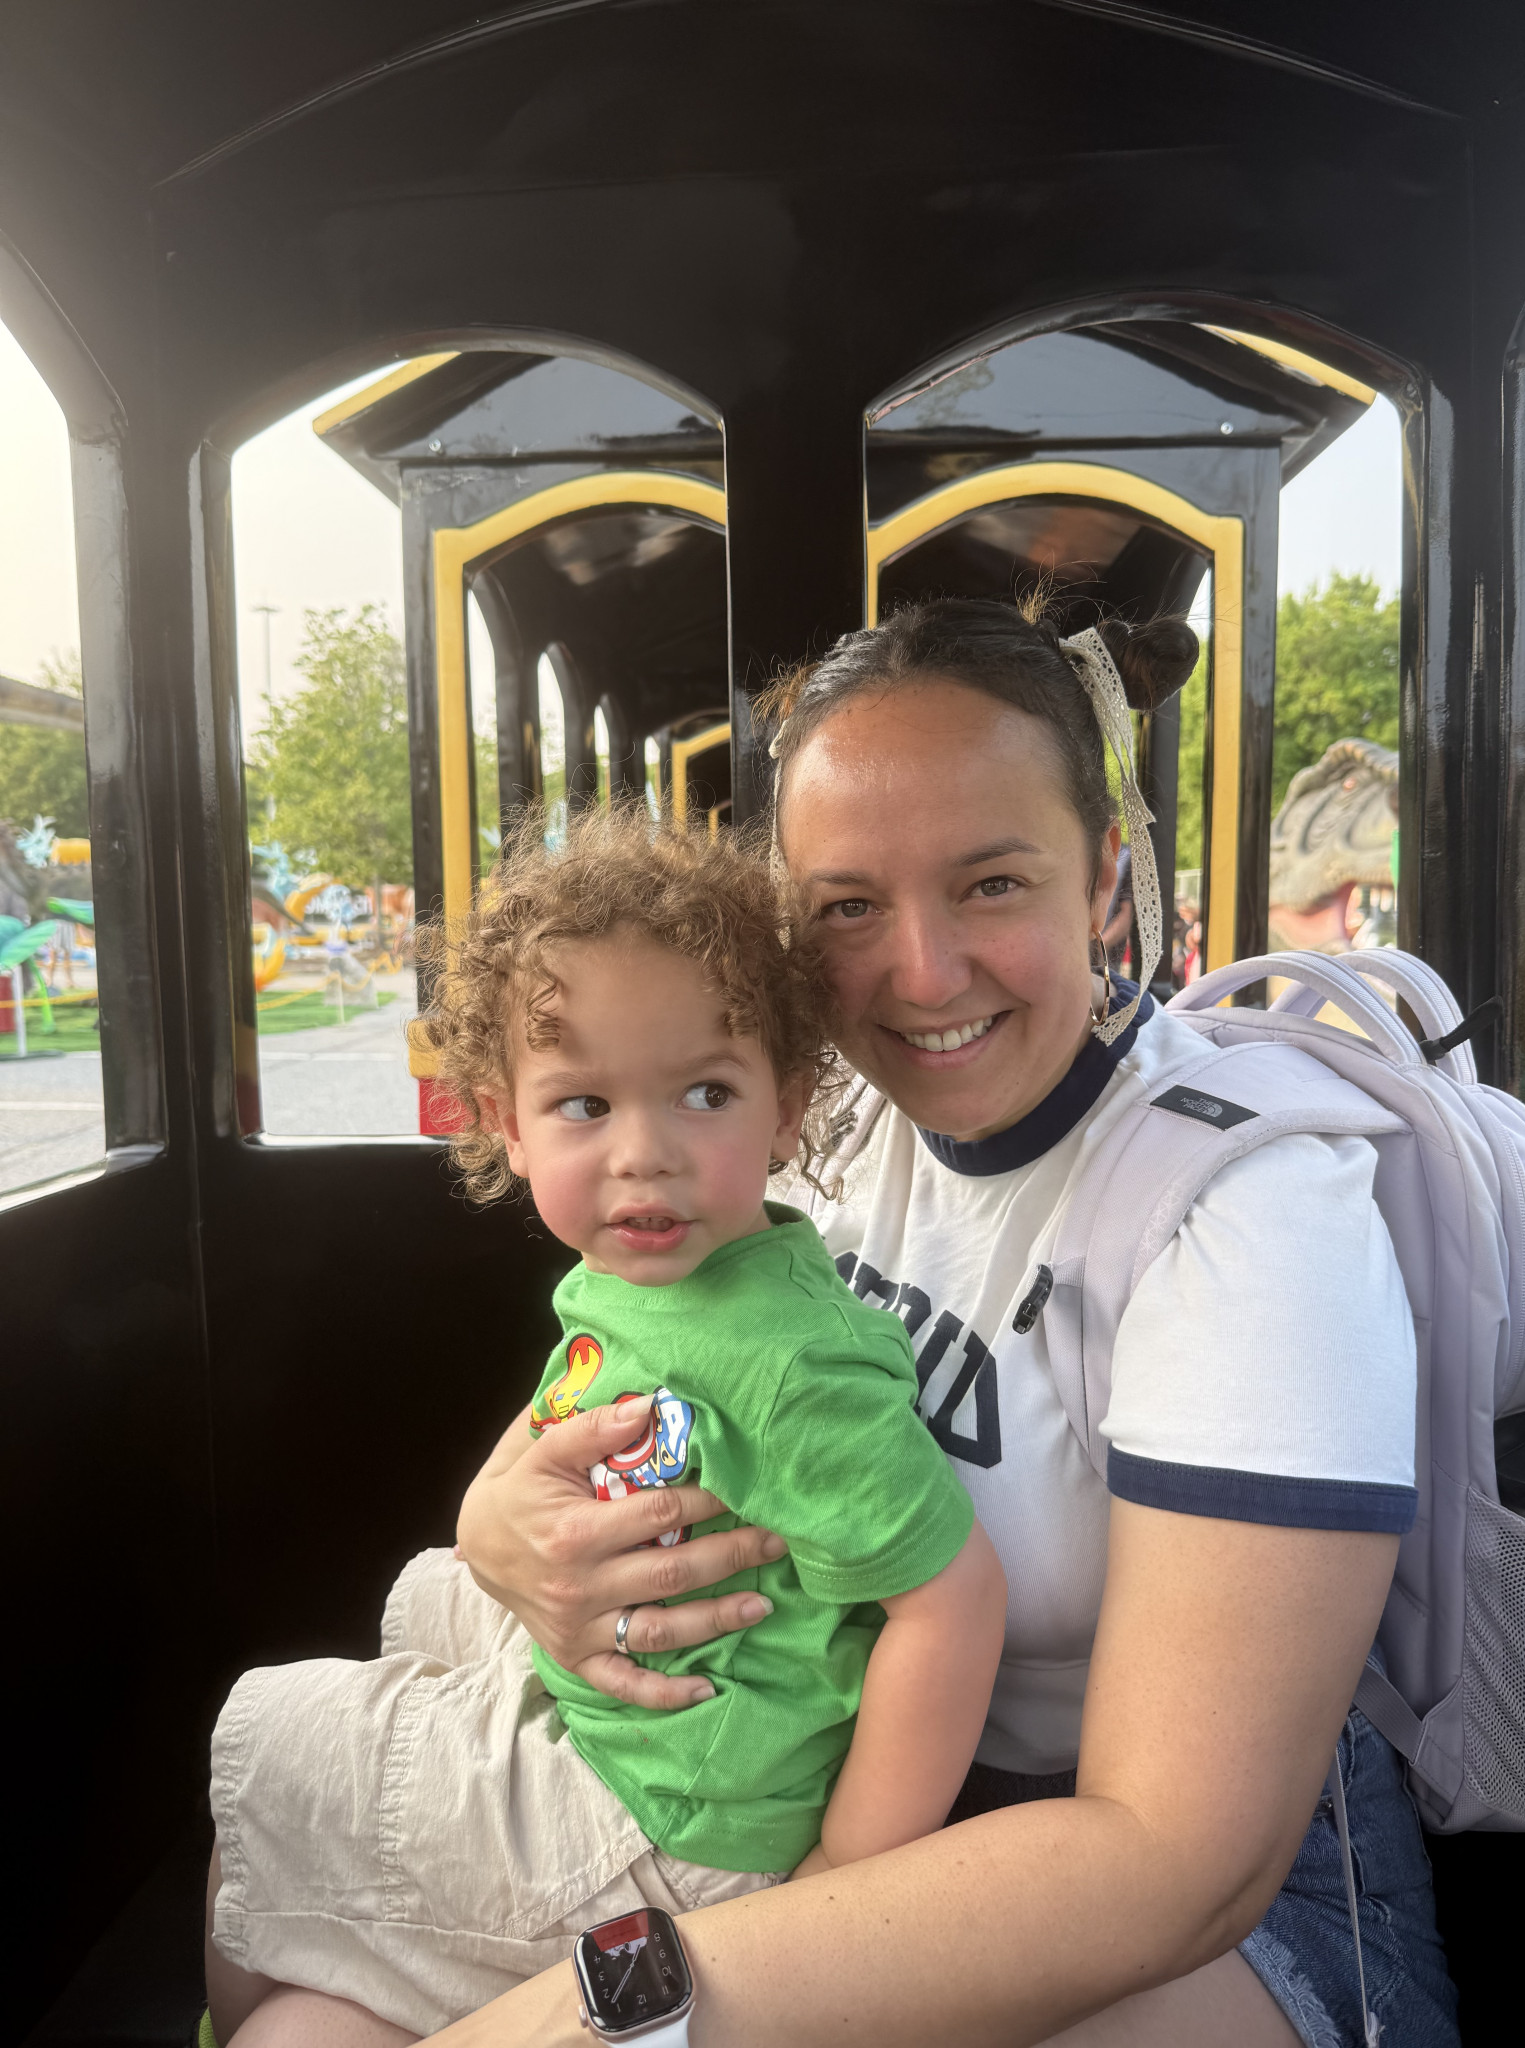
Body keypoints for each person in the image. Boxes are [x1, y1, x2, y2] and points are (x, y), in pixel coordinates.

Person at [427, 598, 1457, 2048]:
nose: (921, 971)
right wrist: (495, 1527)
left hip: (1225, 1909)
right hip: (846, 1787)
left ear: (1104, 879)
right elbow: (635, 1359)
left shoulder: (1247, 1212)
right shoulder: (825, 1130)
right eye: (850, 906)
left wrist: (620, 2005)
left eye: (990, 883)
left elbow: (1178, 1860)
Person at [204, 808, 1004, 2047]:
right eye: (584, 1102)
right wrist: (490, 1518)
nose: (645, 1155)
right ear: (507, 1124)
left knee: (266, 1771)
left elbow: (951, 1604)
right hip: (632, 1716)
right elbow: (552, 1418)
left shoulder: (790, 1362)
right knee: (424, 1604)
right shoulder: (646, 1272)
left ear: (787, 1108)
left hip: (679, 1815)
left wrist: (839, 1891)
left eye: (705, 1092)